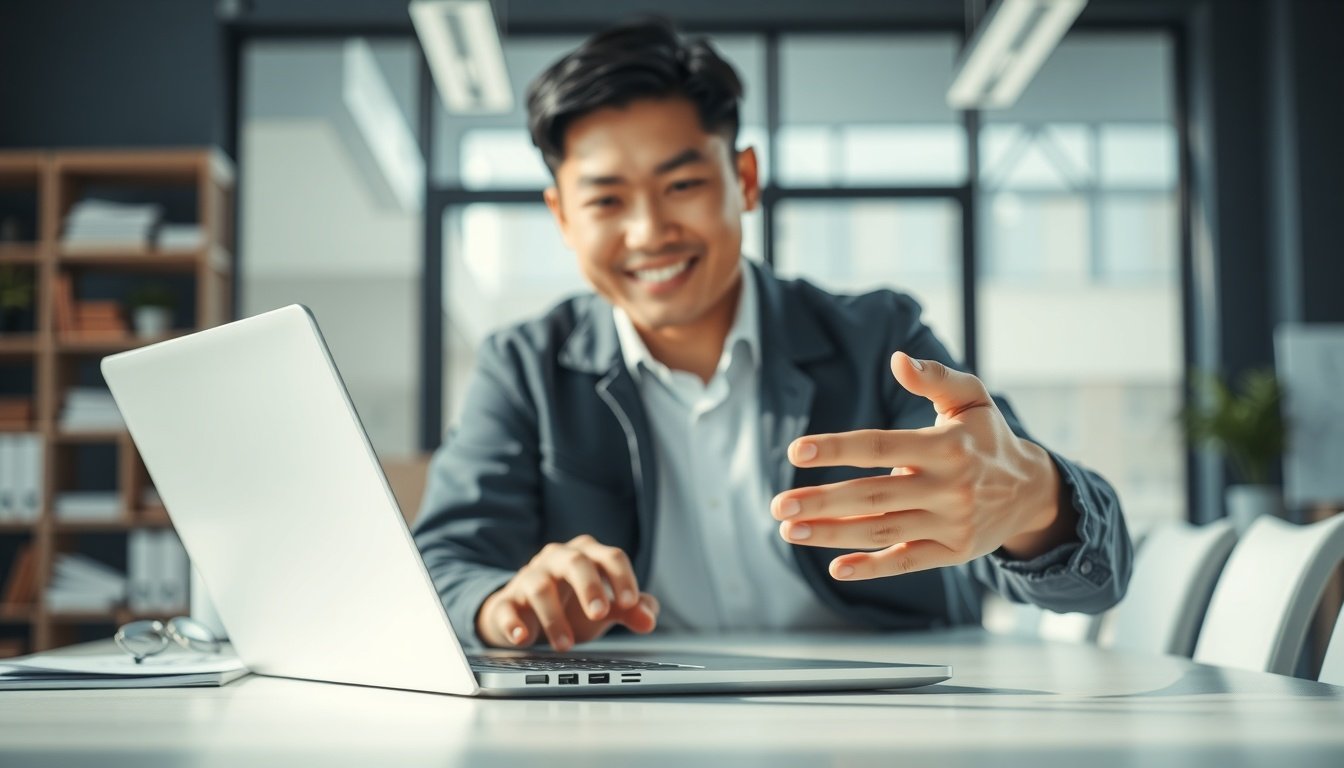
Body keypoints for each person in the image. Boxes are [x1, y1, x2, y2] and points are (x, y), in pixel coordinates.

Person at [413, 19, 1131, 652]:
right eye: (606, 200)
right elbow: (443, 566)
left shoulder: (878, 339)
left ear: (745, 179)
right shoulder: (525, 368)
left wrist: (1032, 503)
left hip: (896, 716)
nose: (649, 232)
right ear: (563, 217)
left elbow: (1098, 580)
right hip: (635, 724)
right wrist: (503, 603)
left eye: (682, 186)